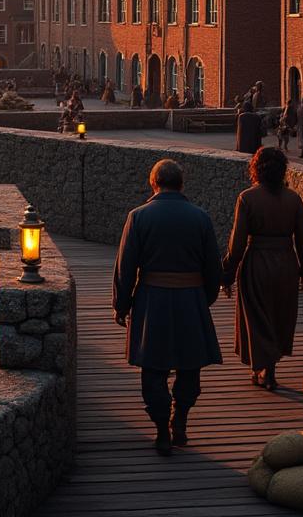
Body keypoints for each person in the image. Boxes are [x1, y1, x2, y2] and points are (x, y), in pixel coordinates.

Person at [112, 159, 223, 456]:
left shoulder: (138, 217)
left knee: (153, 369)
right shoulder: (201, 218)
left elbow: (125, 268)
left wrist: (121, 305)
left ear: (153, 183)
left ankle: (162, 430)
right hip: (190, 298)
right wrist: (205, 298)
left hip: (152, 300)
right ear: (181, 183)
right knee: (190, 367)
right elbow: (213, 266)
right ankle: (181, 422)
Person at [221, 147, 303, 390]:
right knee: (278, 316)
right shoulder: (293, 199)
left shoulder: (247, 198)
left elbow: (237, 243)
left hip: (257, 265)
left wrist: (227, 274)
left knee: (256, 318)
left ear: (256, 169)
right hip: (286, 264)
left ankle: (259, 369)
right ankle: (269, 371)